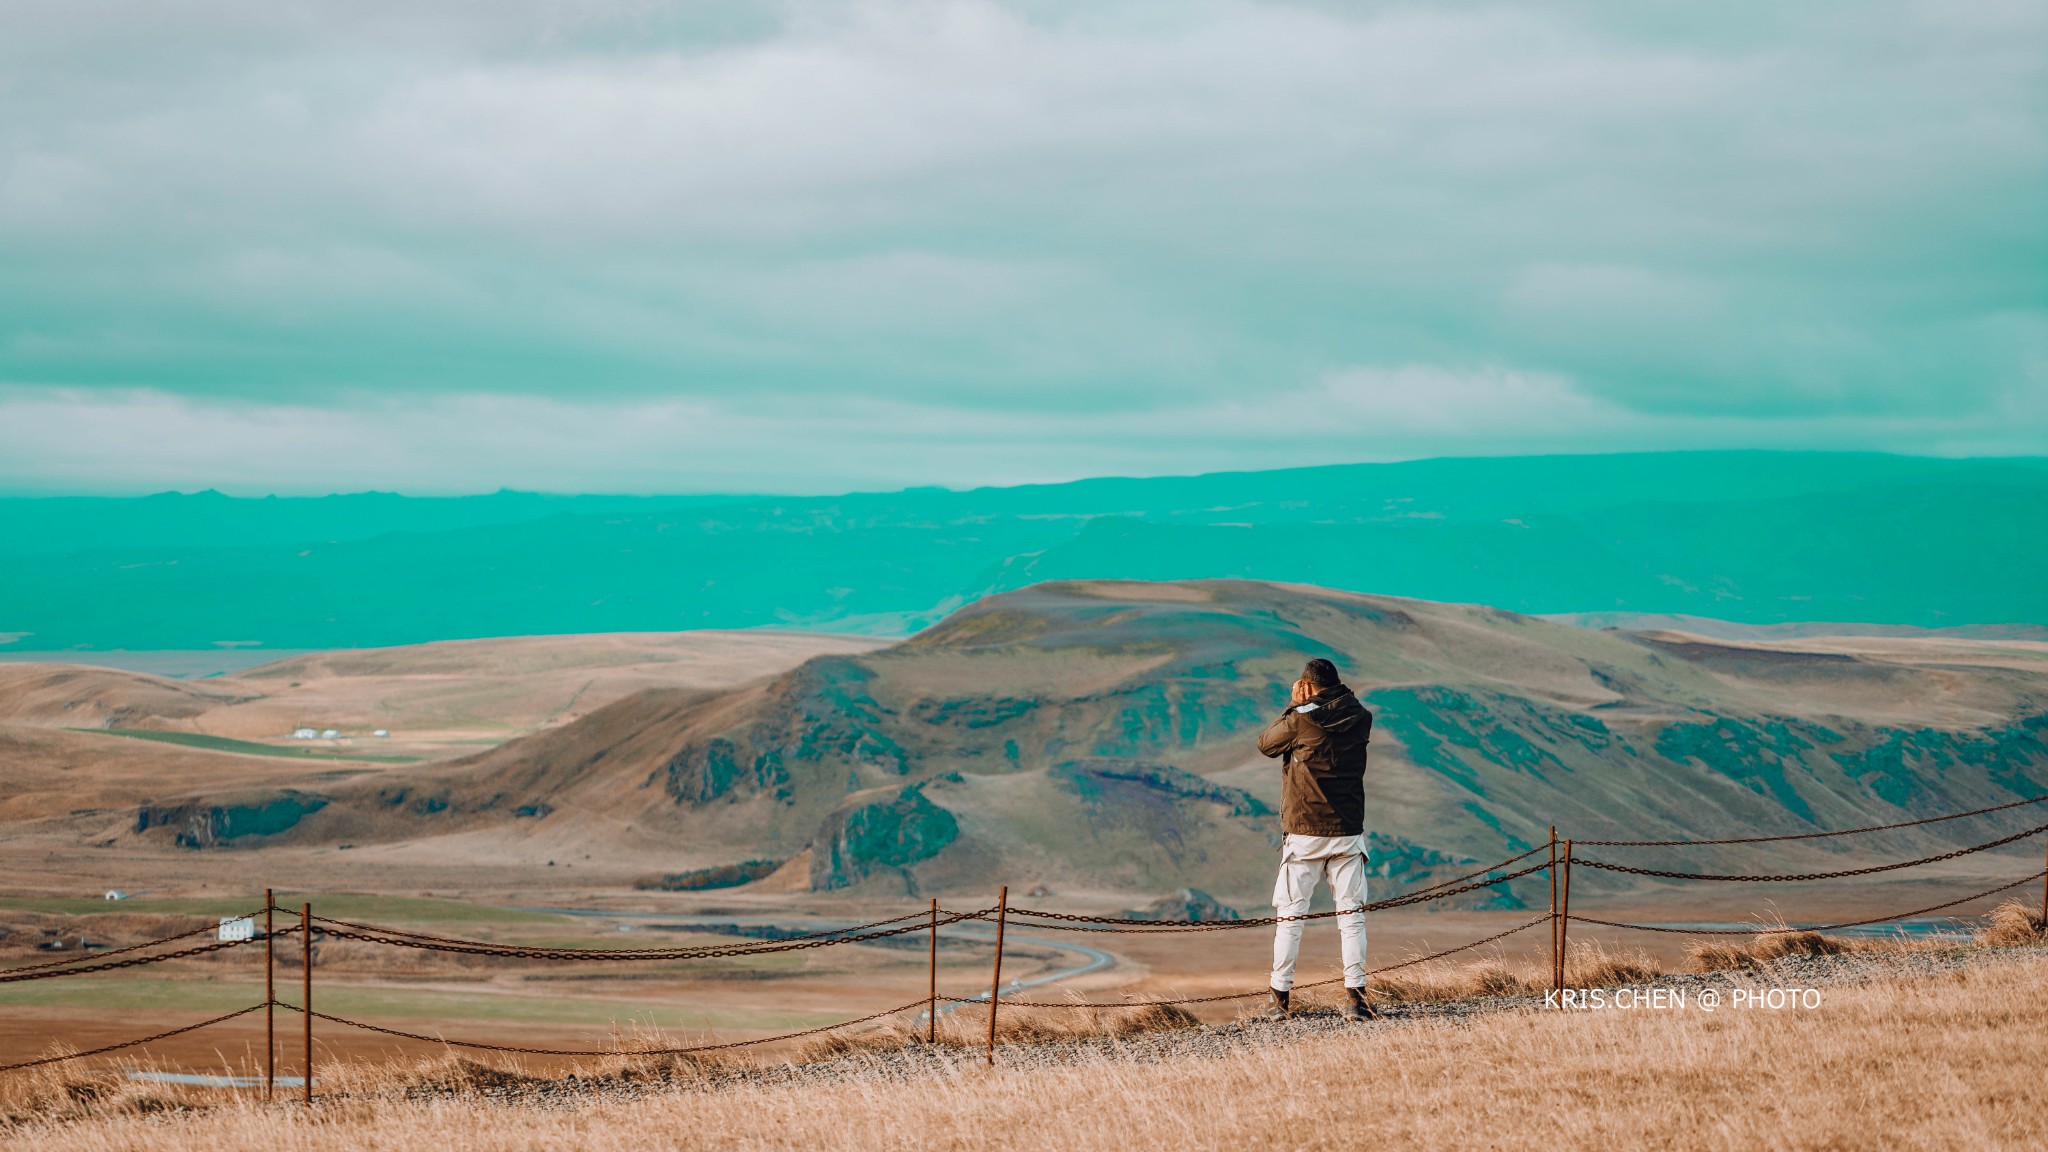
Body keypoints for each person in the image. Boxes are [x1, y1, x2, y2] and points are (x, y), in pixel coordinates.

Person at [1256, 657, 1376, 1021]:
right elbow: (1346, 706)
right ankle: (1357, 999)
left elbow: (1266, 744)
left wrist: (1294, 705)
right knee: (1351, 917)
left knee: (1290, 918)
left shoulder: (1301, 720)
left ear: (1307, 685)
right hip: (1348, 833)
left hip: (1305, 833)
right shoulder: (1361, 717)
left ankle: (1280, 999)